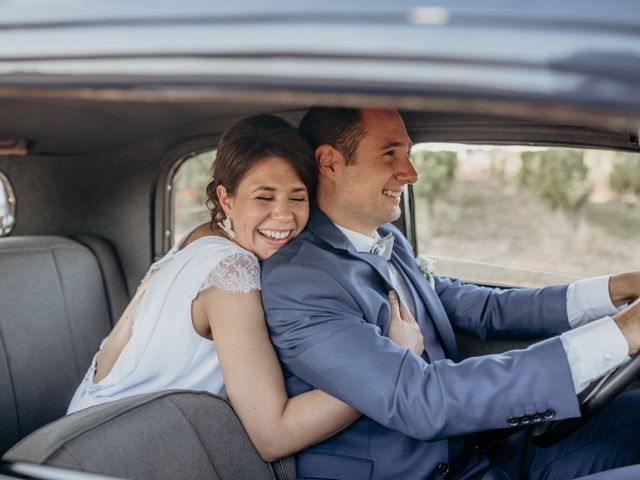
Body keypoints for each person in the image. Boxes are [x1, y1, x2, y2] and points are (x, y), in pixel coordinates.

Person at [261, 107, 640, 479]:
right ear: (329, 162)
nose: (411, 172)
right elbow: (420, 399)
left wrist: (621, 288)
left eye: (408, 153)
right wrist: (622, 333)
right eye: (390, 153)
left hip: (479, 453)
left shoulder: (387, 239)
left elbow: (487, 308)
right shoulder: (300, 281)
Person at [66, 114, 425, 462]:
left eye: (297, 198)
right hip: (111, 451)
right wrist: (393, 364)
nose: (283, 216)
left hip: (91, 429)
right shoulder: (231, 273)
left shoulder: (204, 234)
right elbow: (274, 436)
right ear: (226, 199)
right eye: (264, 198)